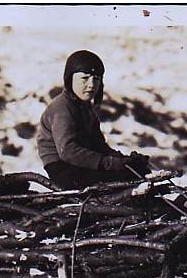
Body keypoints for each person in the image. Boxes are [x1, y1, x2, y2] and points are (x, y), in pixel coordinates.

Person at [36, 50, 150, 190]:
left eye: (96, 79)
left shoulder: (85, 108)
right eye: (85, 78)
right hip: (63, 168)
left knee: (136, 172)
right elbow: (68, 151)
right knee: (119, 179)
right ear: (70, 79)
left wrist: (123, 160)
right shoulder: (62, 108)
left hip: (82, 164)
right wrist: (109, 163)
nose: (91, 85)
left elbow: (98, 145)